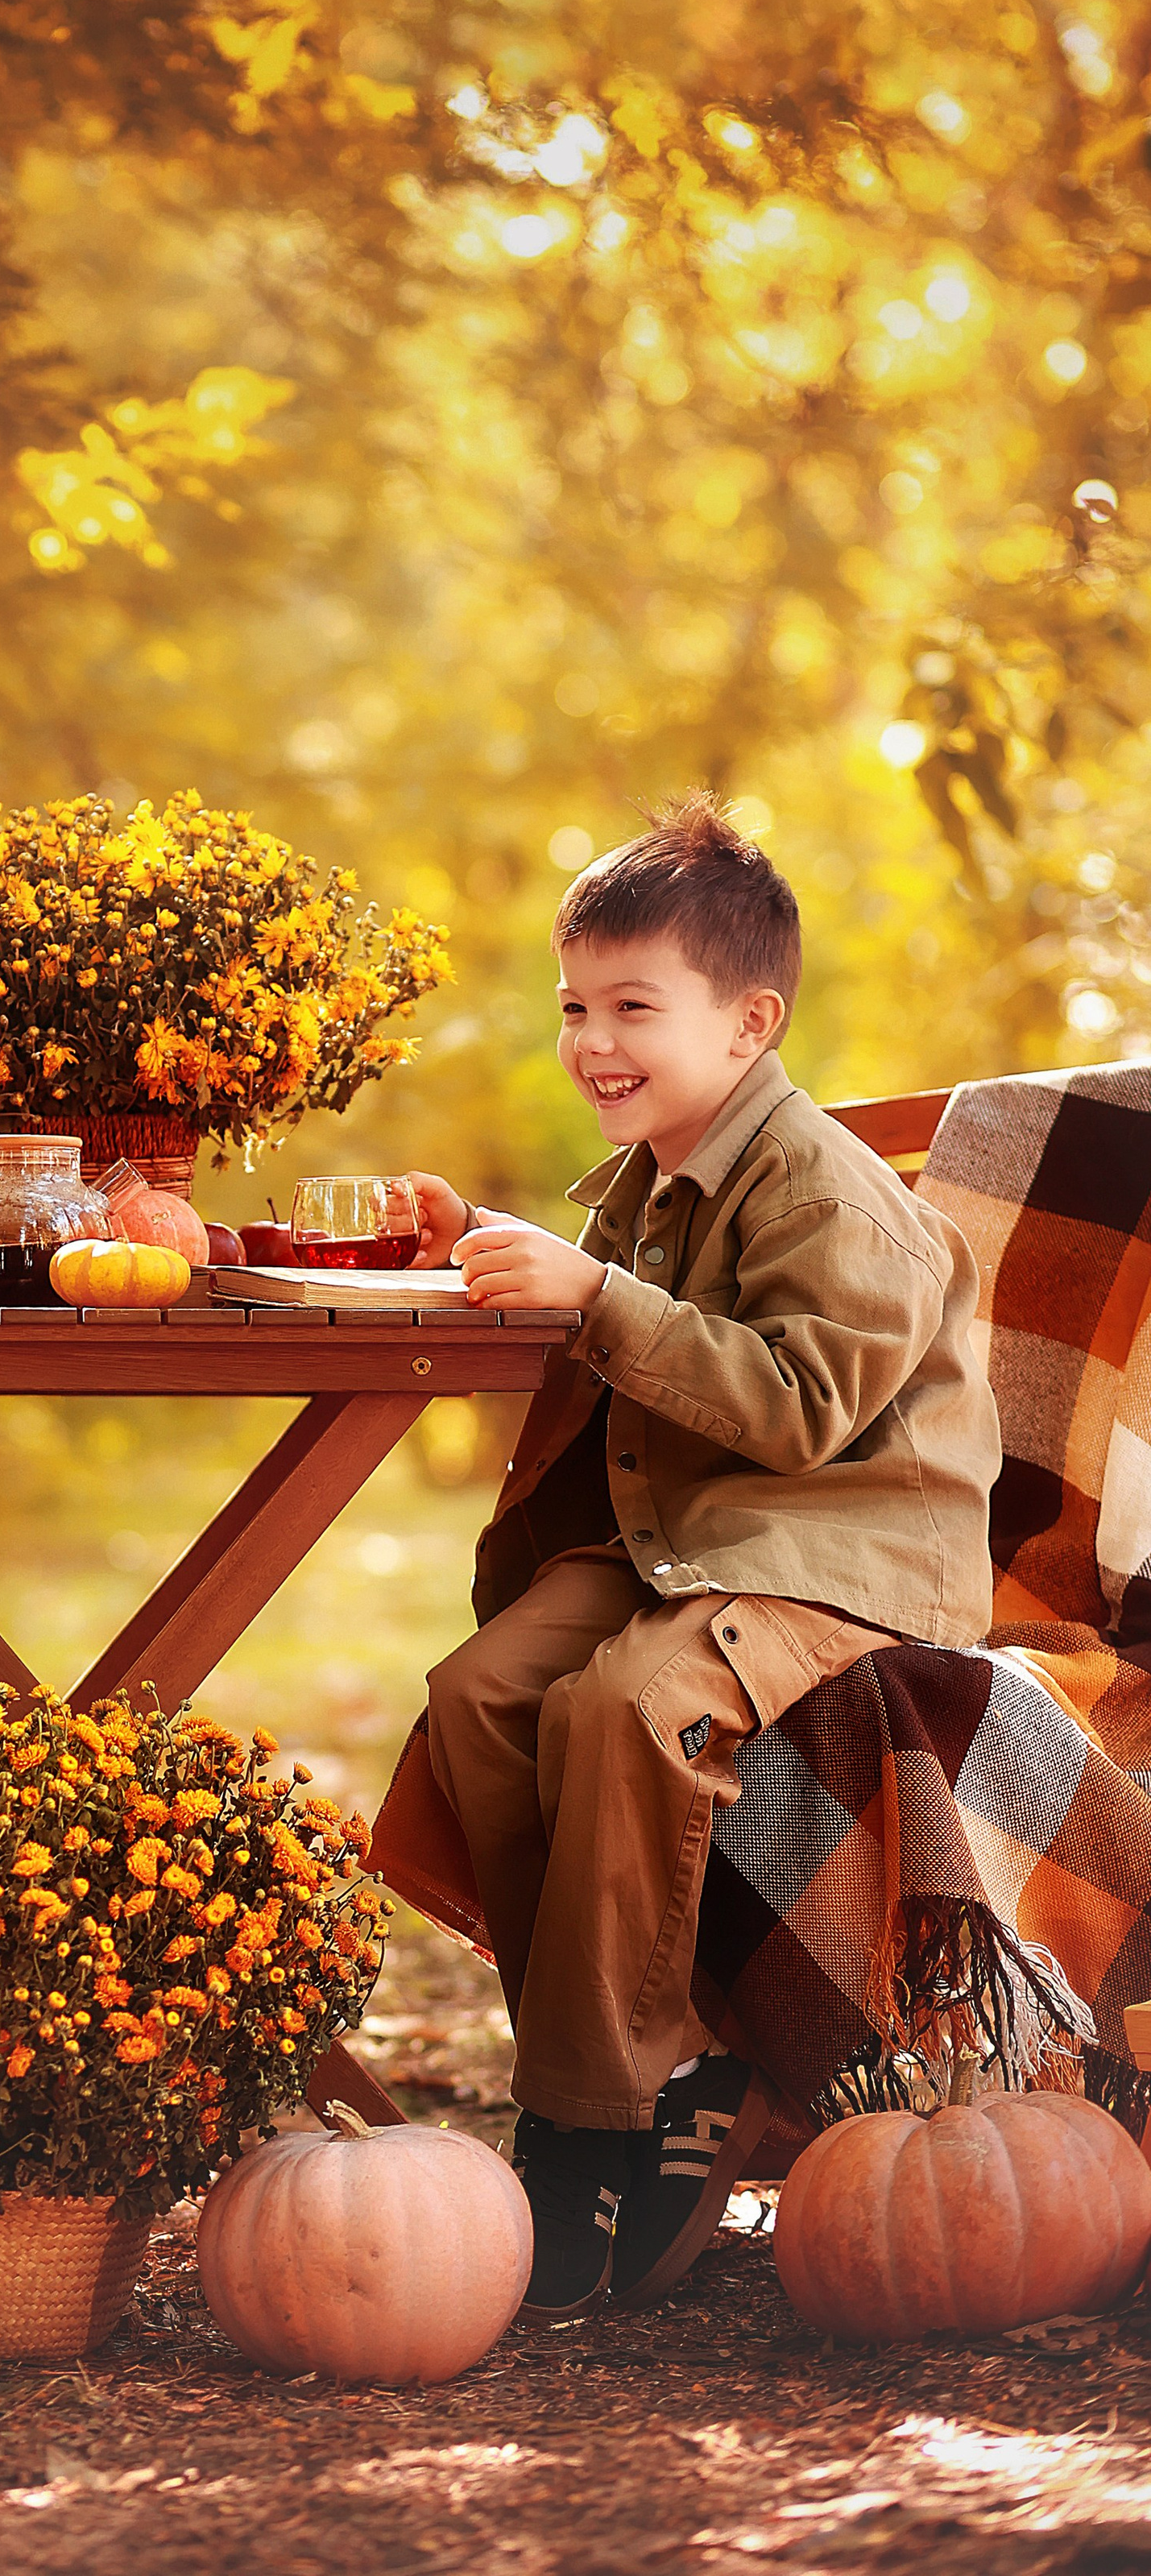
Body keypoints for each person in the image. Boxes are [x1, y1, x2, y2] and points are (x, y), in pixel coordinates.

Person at [393, 799, 999, 2319]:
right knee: (480, 1694)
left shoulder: (824, 1189)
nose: (594, 1040)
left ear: (750, 1022)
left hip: (840, 1548)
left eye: (633, 1009)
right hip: (682, 1540)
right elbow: (604, 1305)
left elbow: (800, 1411)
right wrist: (468, 1236)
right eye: (575, 1010)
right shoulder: (651, 1173)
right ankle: (611, 2078)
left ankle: (583, 2133)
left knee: (623, 1708)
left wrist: (589, 1294)